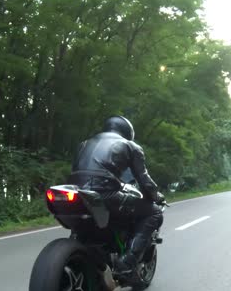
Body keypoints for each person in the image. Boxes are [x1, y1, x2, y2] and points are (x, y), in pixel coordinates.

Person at [69, 116, 165, 274]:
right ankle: (127, 262)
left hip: (77, 192)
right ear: (127, 131)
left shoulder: (84, 143)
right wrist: (156, 196)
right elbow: (144, 180)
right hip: (104, 193)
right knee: (154, 212)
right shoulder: (130, 145)